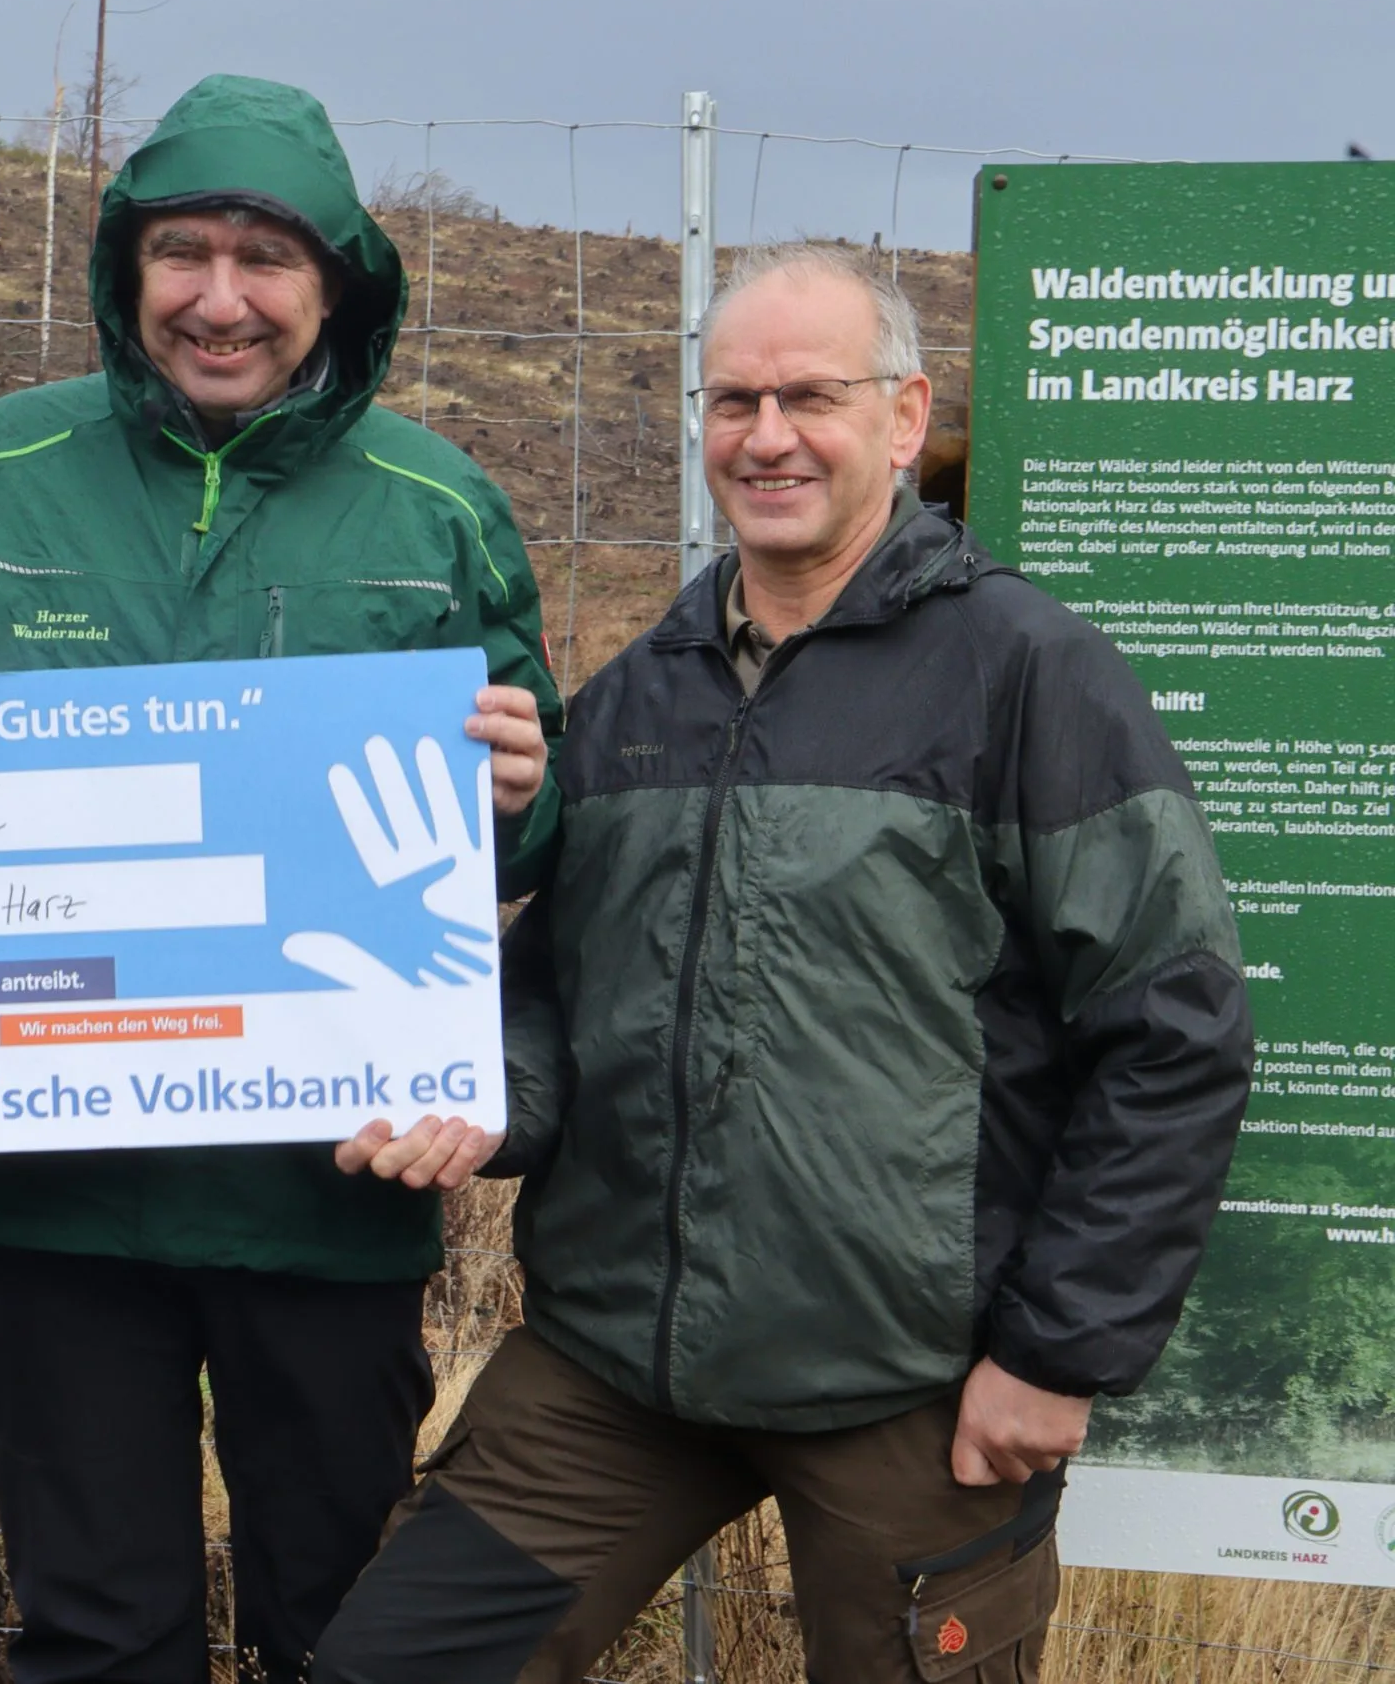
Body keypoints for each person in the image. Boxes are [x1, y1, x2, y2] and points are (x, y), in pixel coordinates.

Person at [310, 243, 1254, 1683]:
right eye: (732, 399)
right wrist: (487, 1092)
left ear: (902, 416)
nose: (766, 437)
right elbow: (563, 988)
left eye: (810, 395)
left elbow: (1173, 1031)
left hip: (913, 1384)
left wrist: (1060, 1350)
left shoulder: (1028, 675)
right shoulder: (634, 694)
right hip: (616, 1362)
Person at [0, 74, 557, 1684]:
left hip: (329, 1195)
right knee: (95, 1632)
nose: (221, 299)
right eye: (184, 251)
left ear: (338, 285)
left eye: (266, 259)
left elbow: (524, 845)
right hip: (58, 1201)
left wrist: (519, 788)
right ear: (124, 270)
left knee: (343, 1629)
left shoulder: (440, 513)